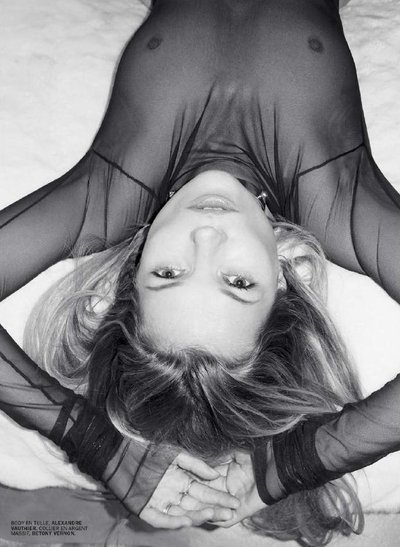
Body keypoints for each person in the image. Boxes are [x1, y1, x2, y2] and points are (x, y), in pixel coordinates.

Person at [0, 0, 399, 545]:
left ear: (132, 269)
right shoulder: (340, 206)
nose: (206, 236)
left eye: (168, 273)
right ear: (285, 276)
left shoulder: (110, 195)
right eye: (238, 283)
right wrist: (303, 460)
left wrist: (94, 444)